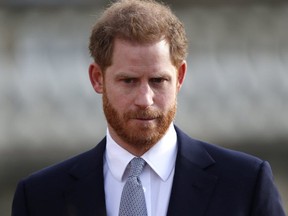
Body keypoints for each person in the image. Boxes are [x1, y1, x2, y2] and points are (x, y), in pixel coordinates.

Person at [12, 0, 286, 215]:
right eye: (128, 81)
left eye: (158, 81)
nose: (145, 99)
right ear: (98, 78)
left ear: (179, 78)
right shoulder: (39, 196)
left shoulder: (245, 184)